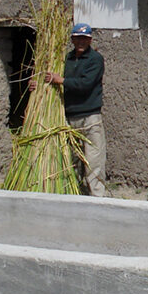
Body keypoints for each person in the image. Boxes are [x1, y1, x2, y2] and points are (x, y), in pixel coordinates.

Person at [39, 22, 108, 197]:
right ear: (72, 39)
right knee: (72, 160)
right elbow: (51, 78)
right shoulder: (66, 59)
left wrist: (61, 81)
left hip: (90, 118)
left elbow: (85, 85)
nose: (81, 42)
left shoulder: (95, 60)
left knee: (93, 160)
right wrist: (39, 84)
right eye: (78, 38)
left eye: (84, 38)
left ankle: (97, 196)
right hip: (69, 117)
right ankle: (76, 194)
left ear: (90, 39)